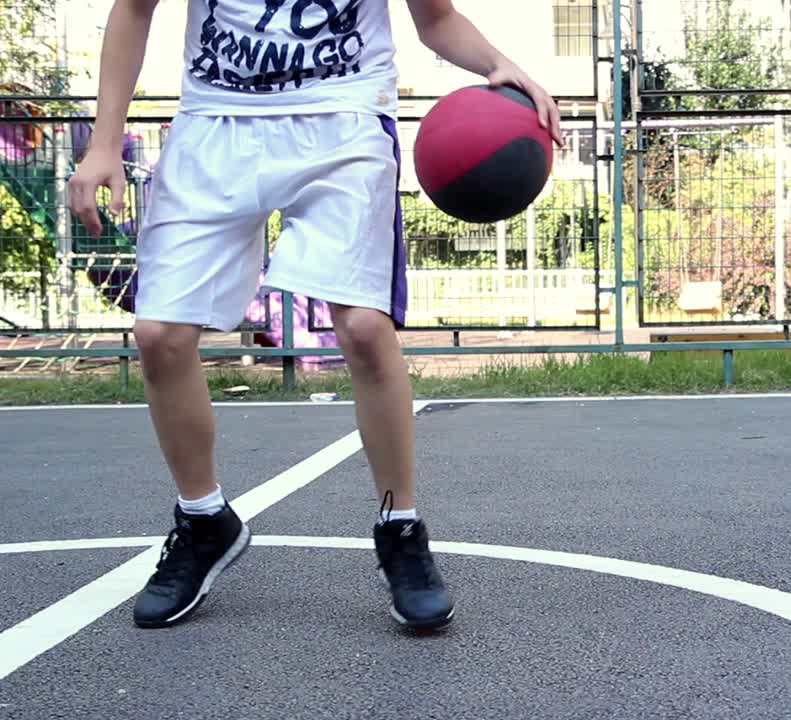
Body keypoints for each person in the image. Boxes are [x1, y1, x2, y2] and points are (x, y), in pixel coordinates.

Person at [68, 0, 562, 631]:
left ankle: (400, 527)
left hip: (344, 120)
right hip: (215, 121)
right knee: (159, 335)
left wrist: (500, 63)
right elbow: (134, 9)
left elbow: (434, 17)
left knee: (362, 327)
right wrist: (104, 141)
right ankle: (203, 520)